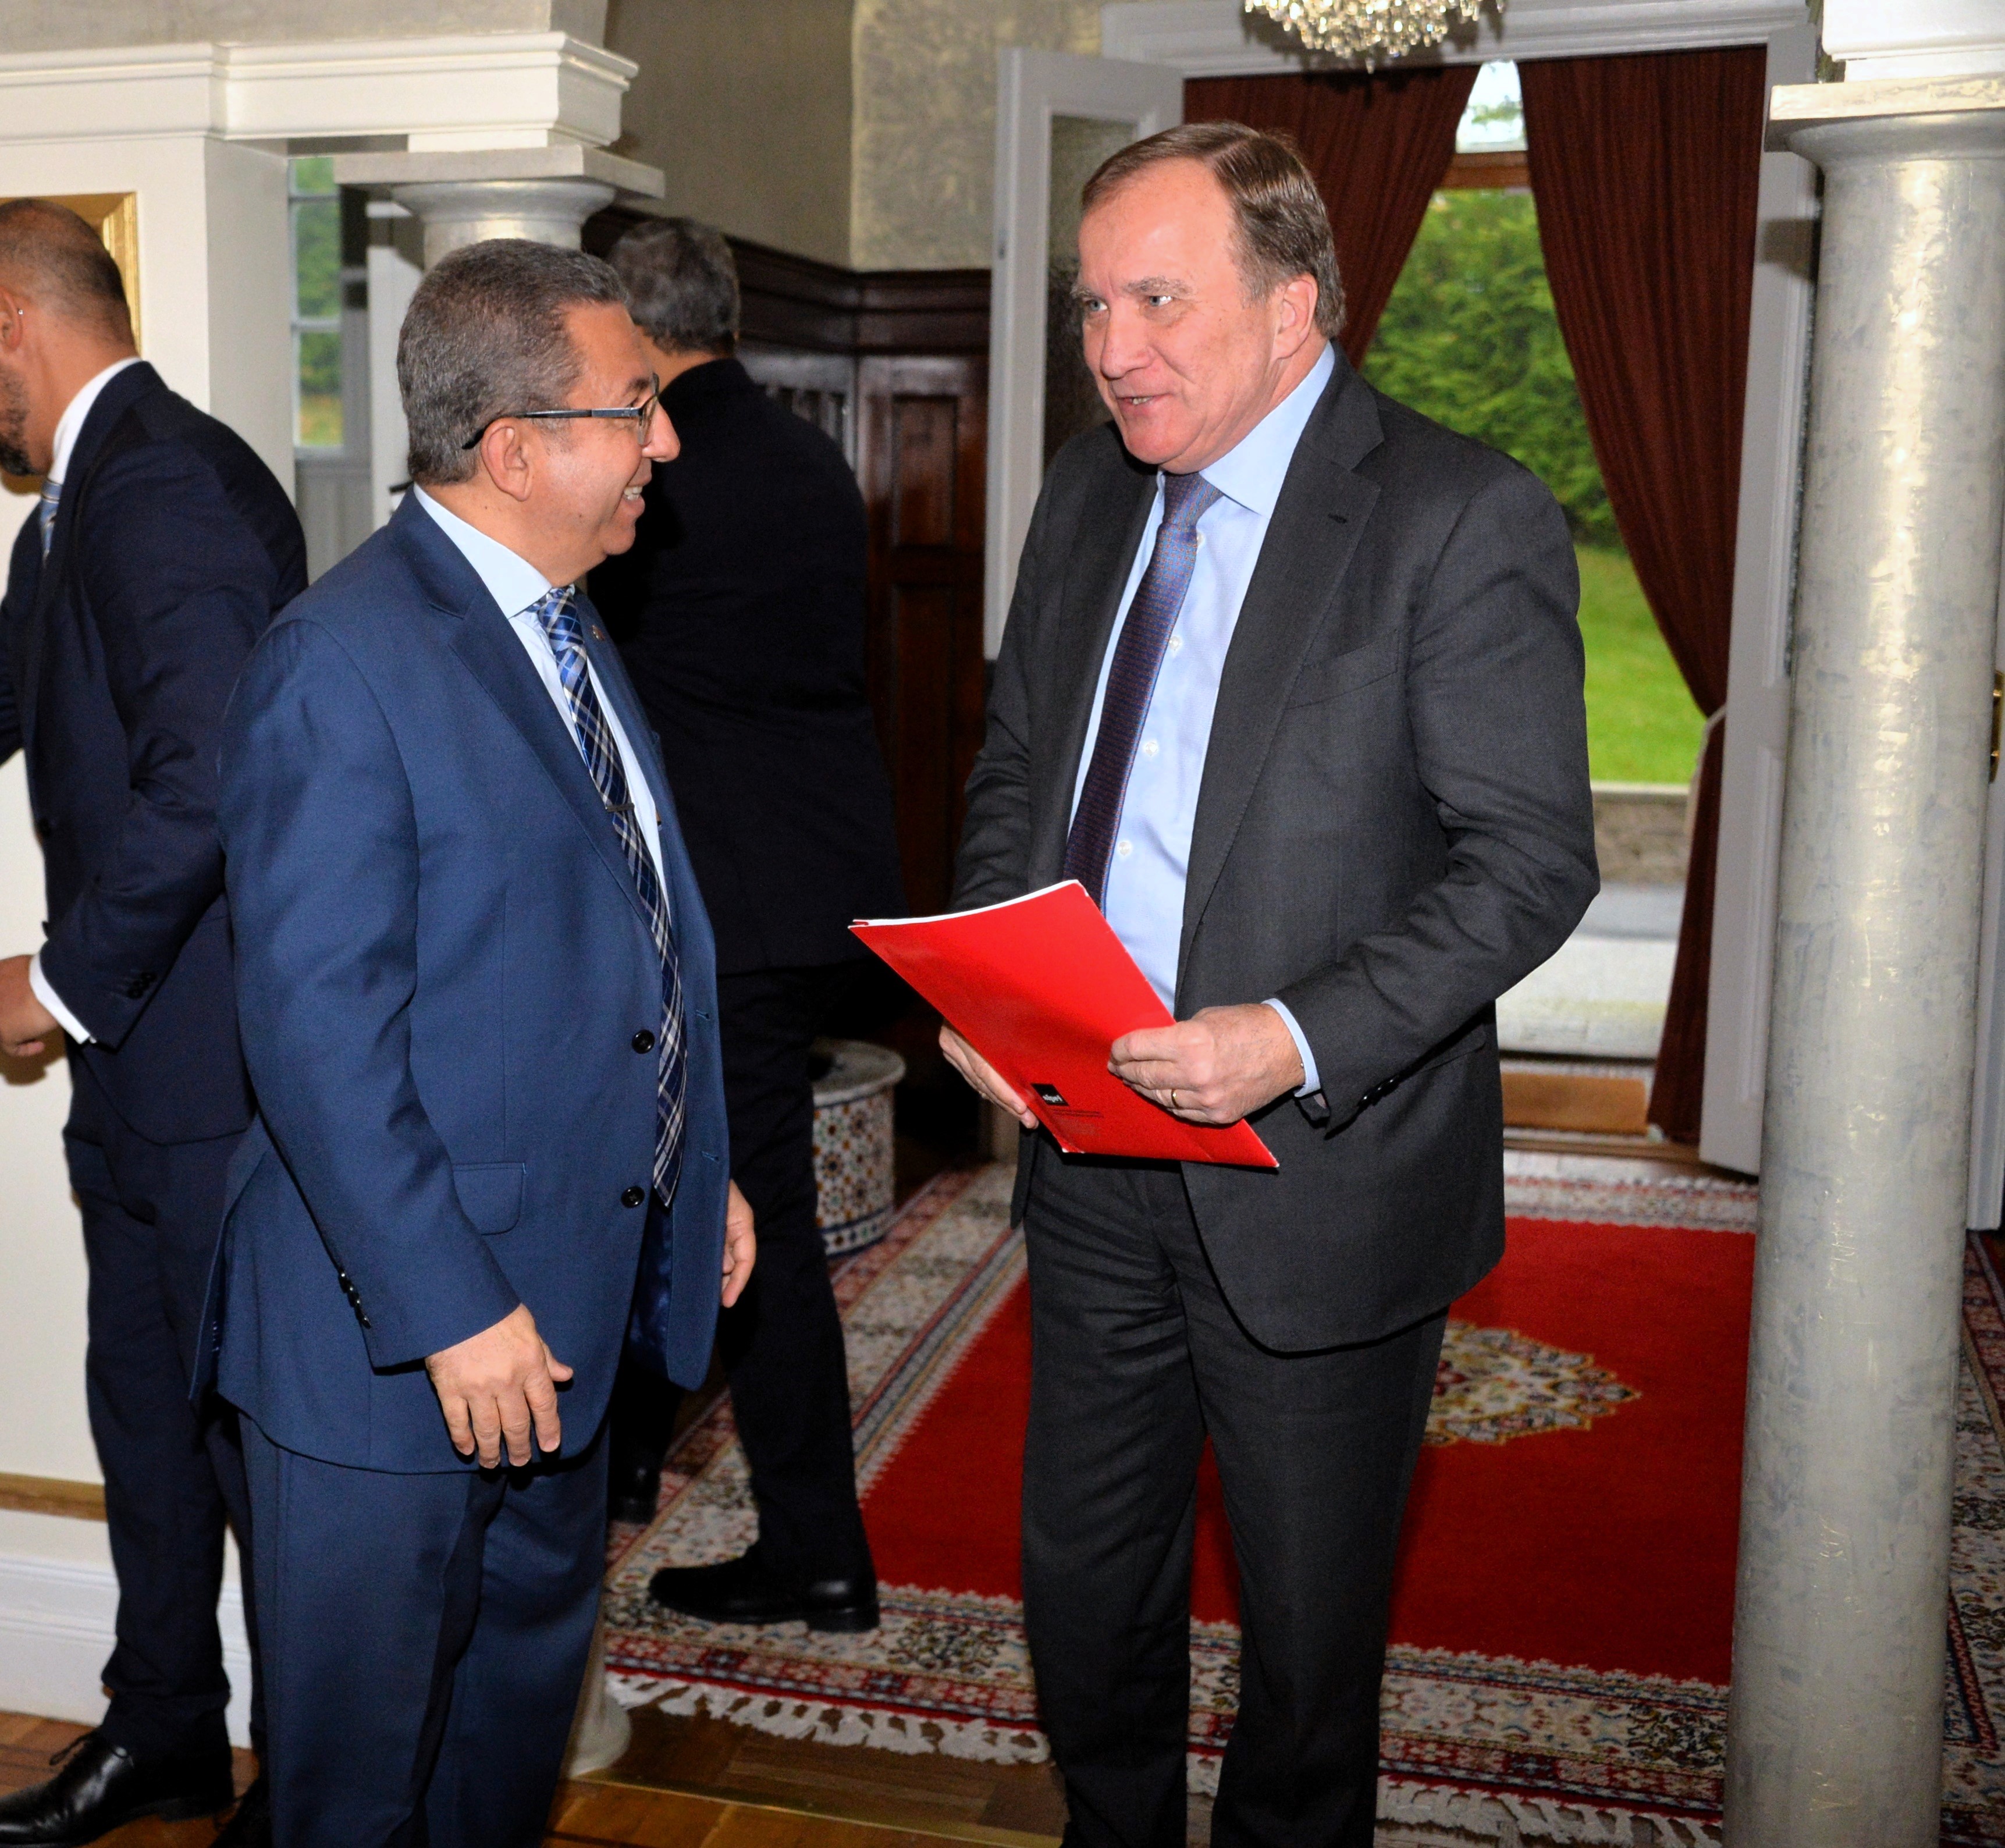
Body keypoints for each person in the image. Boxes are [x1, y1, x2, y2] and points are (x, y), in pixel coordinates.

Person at [943, 125, 1596, 1845]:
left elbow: (1529, 863)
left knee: (1307, 1645)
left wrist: (1294, 1037)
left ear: (1292, 305)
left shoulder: (1454, 513)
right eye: (1094, 305)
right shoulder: (1088, 490)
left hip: (1321, 1176)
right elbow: (1015, 767)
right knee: (1086, 1584)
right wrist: (994, 977)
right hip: (1089, 1150)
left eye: (1157, 300)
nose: (1110, 347)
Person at [204, 238, 755, 1848]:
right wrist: (454, 1311)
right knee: (357, 1796)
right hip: (396, 1360)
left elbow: (615, 938)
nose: (665, 440)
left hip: (559, 1326)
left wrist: (688, 1162)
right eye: (634, 406)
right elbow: (318, 1037)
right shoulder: (340, 660)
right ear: (516, 450)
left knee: (501, 1766)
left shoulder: (565, 626)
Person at [0, 198, 304, 1848]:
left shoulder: (163, 485)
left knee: (258, 1441)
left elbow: (212, 781)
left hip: (217, 1077)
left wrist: (54, 986)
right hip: (139, 1074)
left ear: (9, 322)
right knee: (146, 1416)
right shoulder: (69, 510)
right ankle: (168, 1729)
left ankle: (310, 1779)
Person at [590, 219, 900, 1633]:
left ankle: (817, 1551)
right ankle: (627, 1460)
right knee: (672, 1186)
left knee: (751, 1223)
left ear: (637, 332)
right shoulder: (804, 450)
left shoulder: (659, 466)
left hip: (725, 905)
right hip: (813, 878)